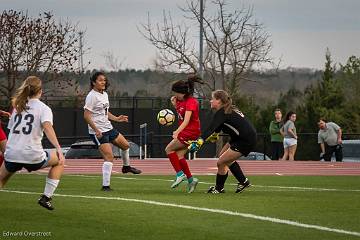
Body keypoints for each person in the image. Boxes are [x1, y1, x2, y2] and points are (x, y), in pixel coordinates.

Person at [0, 76, 65, 210]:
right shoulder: (43, 108)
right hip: (32, 155)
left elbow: (12, 129)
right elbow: (47, 128)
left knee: (1, 178)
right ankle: (46, 198)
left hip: (12, 154)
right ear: (40, 90)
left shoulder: (17, 106)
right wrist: (58, 148)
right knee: (59, 160)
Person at [188, 90, 257, 194]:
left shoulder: (223, 112)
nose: (211, 101)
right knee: (222, 157)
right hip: (239, 138)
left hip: (245, 140)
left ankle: (219, 188)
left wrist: (200, 141)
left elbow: (211, 128)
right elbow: (219, 126)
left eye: (213, 99)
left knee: (221, 162)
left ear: (219, 101)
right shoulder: (228, 109)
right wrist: (215, 134)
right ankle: (243, 182)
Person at [84, 72, 141, 191]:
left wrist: (117, 118)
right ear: (94, 82)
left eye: (104, 80)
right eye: (100, 80)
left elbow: (105, 112)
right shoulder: (91, 96)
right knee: (109, 158)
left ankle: (126, 167)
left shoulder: (104, 94)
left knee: (125, 146)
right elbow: (86, 116)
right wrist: (96, 130)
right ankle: (106, 186)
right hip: (98, 132)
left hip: (108, 128)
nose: (103, 82)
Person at [165, 74, 203, 193]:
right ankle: (191, 180)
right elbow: (181, 115)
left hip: (190, 132)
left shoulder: (191, 102)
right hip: (187, 131)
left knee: (168, 149)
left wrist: (177, 131)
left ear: (181, 92)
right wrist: (175, 105)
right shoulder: (180, 101)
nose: (174, 95)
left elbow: (186, 120)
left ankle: (179, 174)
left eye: (175, 93)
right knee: (179, 156)